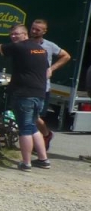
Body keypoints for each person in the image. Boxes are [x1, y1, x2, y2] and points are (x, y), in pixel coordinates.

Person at [0, 24, 51, 171]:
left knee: (24, 128)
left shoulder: (19, 47)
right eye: (11, 34)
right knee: (32, 126)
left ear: (25, 35)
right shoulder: (41, 50)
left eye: (16, 34)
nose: (13, 37)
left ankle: (26, 162)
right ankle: (43, 159)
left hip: (24, 94)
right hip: (39, 94)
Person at [29, 18, 71, 150]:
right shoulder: (25, 43)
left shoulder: (49, 45)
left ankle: (46, 135)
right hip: (26, 85)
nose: (34, 31)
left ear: (44, 32)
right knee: (26, 115)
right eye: (33, 28)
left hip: (42, 87)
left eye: (38, 29)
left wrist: (51, 69)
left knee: (35, 116)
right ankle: (34, 141)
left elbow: (66, 56)